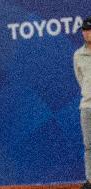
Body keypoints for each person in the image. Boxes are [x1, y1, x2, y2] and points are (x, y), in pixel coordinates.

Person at [73, 16, 91, 189]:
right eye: (85, 30)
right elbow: (81, 79)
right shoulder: (78, 55)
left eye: (90, 30)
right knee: (89, 146)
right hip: (86, 106)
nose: (87, 33)